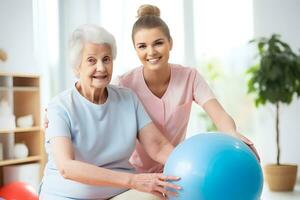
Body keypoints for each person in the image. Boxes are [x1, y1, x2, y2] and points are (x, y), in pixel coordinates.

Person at [39, 24, 181, 200]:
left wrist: (190, 165)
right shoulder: (59, 107)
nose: (101, 67)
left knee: (160, 196)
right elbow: (66, 167)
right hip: (67, 195)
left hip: (117, 193)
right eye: (91, 60)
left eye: (106, 59)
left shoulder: (128, 99)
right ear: (77, 67)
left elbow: (158, 147)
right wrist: (133, 180)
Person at [114, 4, 260, 173]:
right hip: (136, 174)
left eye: (158, 43)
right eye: (142, 46)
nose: (151, 52)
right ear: (135, 49)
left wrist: (231, 132)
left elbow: (219, 115)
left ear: (170, 43)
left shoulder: (190, 77)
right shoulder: (124, 84)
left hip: (178, 168)